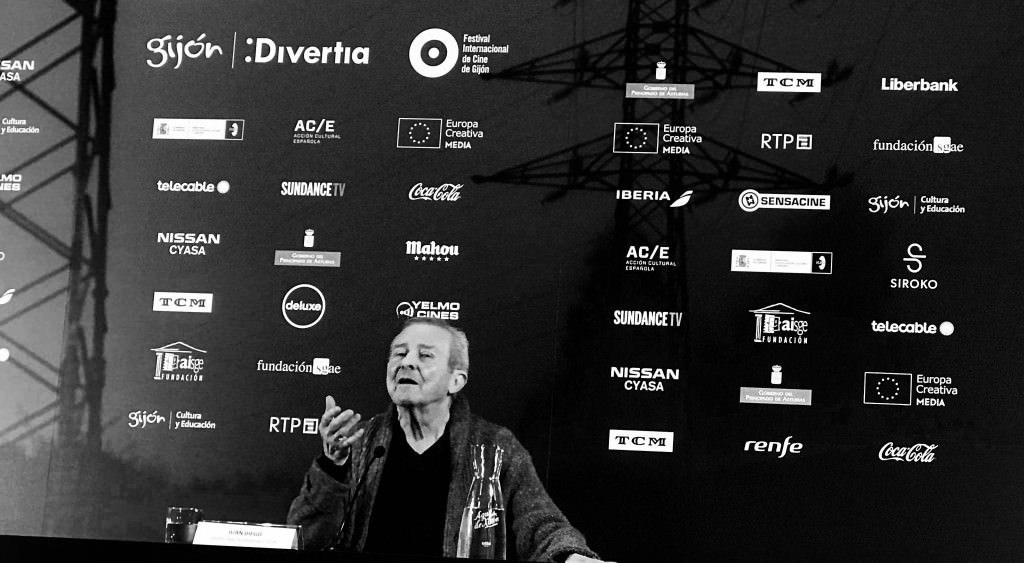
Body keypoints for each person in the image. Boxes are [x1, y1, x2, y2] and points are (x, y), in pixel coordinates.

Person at [286, 318, 611, 562]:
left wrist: (572, 556)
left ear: (456, 379)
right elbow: (307, 540)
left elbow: (541, 524)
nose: (406, 362)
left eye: (425, 355)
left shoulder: (494, 447)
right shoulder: (360, 443)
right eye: (398, 353)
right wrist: (332, 465)